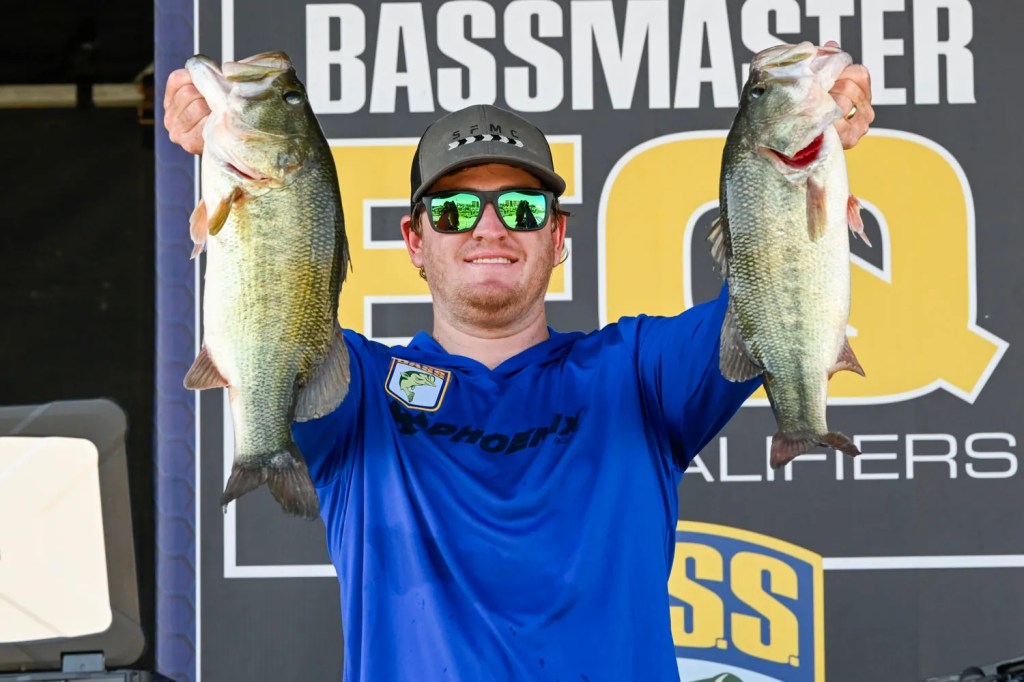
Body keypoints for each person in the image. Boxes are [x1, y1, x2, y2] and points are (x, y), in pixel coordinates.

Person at [164, 46, 873, 682]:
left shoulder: (638, 373)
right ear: (414, 240)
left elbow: (772, 290)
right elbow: (276, 297)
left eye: (523, 208)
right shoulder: (360, 393)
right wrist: (230, 155)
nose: (490, 227)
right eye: (454, 211)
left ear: (558, 236)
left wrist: (804, 150)